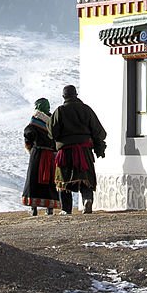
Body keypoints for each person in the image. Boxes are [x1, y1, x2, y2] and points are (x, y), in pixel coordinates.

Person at [51, 84, 106, 214]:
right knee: (85, 178)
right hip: (84, 150)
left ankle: (66, 209)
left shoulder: (60, 111)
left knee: (63, 180)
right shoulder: (86, 110)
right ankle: (87, 200)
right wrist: (99, 145)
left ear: (64, 96)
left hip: (65, 152)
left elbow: (53, 132)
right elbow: (98, 131)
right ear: (76, 95)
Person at [21, 98, 60, 216]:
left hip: (37, 155)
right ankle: (50, 207)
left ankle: (33, 207)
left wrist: (30, 148)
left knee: (34, 180)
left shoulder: (35, 122)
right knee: (50, 181)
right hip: (52, 155)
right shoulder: (53, 122)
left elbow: (28, 135)